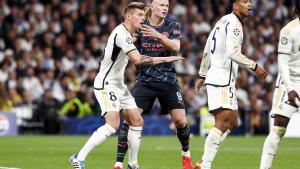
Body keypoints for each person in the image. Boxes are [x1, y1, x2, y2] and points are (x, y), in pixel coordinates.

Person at [69, 2, 183, 169]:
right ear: (128, 16)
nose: (142, 18)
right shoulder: (121, 34)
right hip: (106, 84)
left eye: (143, 16)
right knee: (113, 125)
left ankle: (133, 164)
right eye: (139, 15)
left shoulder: (128, 33)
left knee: (137, 121)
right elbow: (138, 60)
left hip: (119, 85)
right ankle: (78, 158)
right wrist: (165, 59)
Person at [113, 0, 194, 169]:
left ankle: (186, 155)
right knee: (129, 120)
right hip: (145, 81)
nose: (165, 8)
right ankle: (119, 163)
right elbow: (129, 46)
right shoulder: (140, 24)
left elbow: (176, 48)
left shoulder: (172, 25)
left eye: (167, 5)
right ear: (152, 6)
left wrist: (159, 36)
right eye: (161, 5)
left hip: (168, 80)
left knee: (180, 121)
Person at [194, 0, 267, 168]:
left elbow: (207, 47)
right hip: (222, 78)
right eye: (245, 1)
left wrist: (203, 73)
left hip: (218, 77)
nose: (249, 5)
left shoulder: (222, 20)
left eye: (250, 2)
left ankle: (203, 163)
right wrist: (254, 66)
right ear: (235, 5)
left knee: (233, 122)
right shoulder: (234, 24)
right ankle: (204, 164)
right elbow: (232, 52)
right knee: (223, 121)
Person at [260, 1, 300, 168]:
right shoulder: (288, 30)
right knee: (278, 130)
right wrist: (290, 89)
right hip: (289, 83)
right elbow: (282, 63)